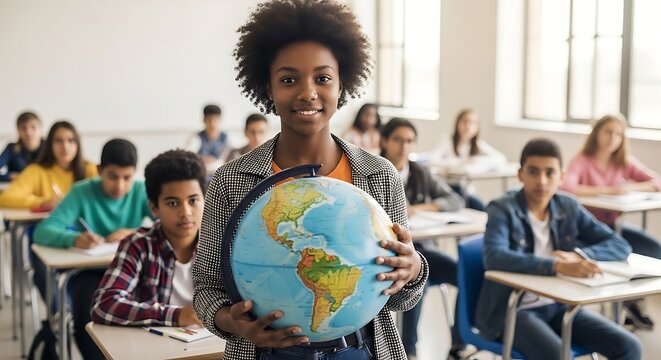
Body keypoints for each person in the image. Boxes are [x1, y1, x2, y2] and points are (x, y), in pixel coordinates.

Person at [192, 1, 429, 359]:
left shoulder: (380, 176)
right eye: (288, 79)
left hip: (361, 349)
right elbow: (207, 289)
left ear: (342, 84)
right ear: (268, 89)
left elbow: (400, 298)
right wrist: (231, 321)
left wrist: (412, 270)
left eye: (323, 78)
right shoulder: (231, 180)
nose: (307, 92)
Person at [475, 138, 641, 360]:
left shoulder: (567, 206)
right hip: (514, 311)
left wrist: (578, 256)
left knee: (629, 346)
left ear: (561, 176)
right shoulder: (503, 208)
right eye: (533, 172)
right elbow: (495, 257)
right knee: (557, 355)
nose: (542, 181)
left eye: (550, 173)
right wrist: (557, 266)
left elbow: (620, 244)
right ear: (520, 174)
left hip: (559, 306)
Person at [33, 138, 152, 360]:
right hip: (91, 272)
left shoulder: (140, 190)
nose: (120, 186)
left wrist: (137, 231)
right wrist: (75, 238)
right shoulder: (81, 191)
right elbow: (43, 230)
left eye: (127, 177)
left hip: (134, 269)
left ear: (135, 173)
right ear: (99, 170)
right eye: (112, 176)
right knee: (87, 323)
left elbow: (165, 223)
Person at [561, 113, 661, 330]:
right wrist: (606, 190)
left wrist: (628, 188)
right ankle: (615, 306)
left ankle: (634, 304)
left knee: (653, 248)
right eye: (608, 132)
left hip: (614, 227)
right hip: (588, 229)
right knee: (618, 254)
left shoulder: (623, 162)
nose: (612, 138)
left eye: (618, 134)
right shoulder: (582, 160)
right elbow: (567, 188)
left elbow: (656, 181)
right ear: (597, 133)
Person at [380, 118, 467, 360]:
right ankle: (409, 350)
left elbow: (455, 200)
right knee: (418, 278)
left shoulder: (420, 172)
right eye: (397, 139)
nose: (404, 146)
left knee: (463, 273)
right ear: (384, 141)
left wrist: (421, 208)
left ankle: (458, 344)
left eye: (409, 141)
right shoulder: (375, 172)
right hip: (388, 254)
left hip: (423, 248)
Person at [90, 149, 206, 327]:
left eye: (193, 200)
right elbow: (104, 306)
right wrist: (176, 315)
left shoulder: (221, 243)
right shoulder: (138, 245)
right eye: (173, 203)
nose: (186, 213)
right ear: (154, 208)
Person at [0, 120, 97, 209]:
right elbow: (6, 197)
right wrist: (43, 202)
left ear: (78, 144)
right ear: (49, 144)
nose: (65, 146)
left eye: (71, 140)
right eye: (58, 141)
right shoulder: (36, 170)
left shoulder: (89, 168)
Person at [0, 111, 44, 182]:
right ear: (18, 130)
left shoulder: (50, 148)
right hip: (19, 190)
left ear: (40, 128)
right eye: (24, 128)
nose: (29, 132)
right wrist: (10, 176)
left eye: (33, 127)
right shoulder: (11, 148)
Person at [185, 104, 229, 170]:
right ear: (204, 120)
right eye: (209, 120)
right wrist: (202, 158)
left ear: (220, 119)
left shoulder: (228, 138)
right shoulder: (196, 138)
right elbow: (187, 155)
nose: (212, 124)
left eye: (215, 119)